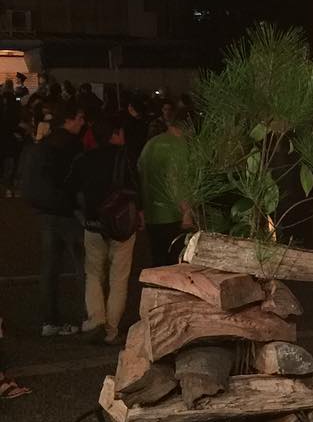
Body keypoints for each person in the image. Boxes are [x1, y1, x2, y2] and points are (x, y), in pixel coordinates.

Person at [68, 113, 141, 344]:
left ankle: (96, 319)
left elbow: (69, 189)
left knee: (93, 273)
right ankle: (111, 329)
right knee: (119, 277)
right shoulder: (125, 158)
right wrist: (140, 213)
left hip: (93, 224)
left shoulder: (83, 159)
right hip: (122, 226)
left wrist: (80, 212)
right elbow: (138, 189)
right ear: (115, 134)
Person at [22, 100, 86, 337]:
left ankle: (49, 320)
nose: (82, 122)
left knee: (50, 268)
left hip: (47, 213)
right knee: (83, 266)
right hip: (69, 213)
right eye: (79, 118)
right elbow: (78, 180)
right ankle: (89, 316)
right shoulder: (72, 145)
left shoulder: (45, 144)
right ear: (68, 119)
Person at [138, 106, 190, 267]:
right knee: (174, 264)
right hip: (171, 215)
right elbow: (176, 181)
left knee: (157, 261)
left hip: (151, 214)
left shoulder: (151, 143)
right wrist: (186, 211)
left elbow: (139, 172)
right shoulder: (180, 147)